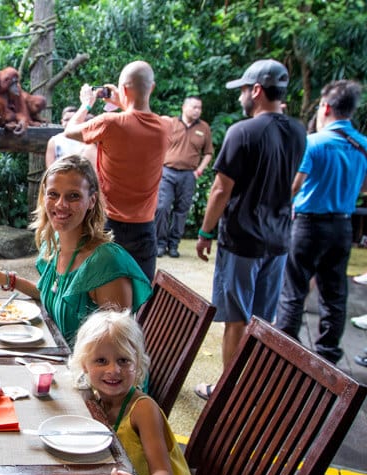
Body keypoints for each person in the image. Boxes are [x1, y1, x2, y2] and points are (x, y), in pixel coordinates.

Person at [194, 59, 306, 400]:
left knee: (237, 319)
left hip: (242, 240)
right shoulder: (299, 131)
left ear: (257, 90)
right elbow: (294, 181)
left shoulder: (242, 132)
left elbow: (220, 190)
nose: (242, 95)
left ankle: (227, 393)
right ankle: (252, 387)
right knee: (262, 319)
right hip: (277, 240)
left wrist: (206, 232)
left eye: (244, 89)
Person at [48, 309, 205, 475]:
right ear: (84, 365)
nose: (113, 370)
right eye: (101, 361)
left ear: (137, 362)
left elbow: (163, 473)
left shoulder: (142, 409)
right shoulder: (94, 397)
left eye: (123, 360)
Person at [0, 154, 151, 346]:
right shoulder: (56, 244)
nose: (61, 204)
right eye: (53, 194)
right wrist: (8, 279)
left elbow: (119, 348)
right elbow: (55, 295)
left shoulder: (107, 263)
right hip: (61, 359)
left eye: (73, 196)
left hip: (95, 372)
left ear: (92, 200)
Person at [273, 80, 367, 366]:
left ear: (325, 106)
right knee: (335, 291)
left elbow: (294, 186)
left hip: (309, 224)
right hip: (342, 225)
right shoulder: (363, 145)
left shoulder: (313, 142)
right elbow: (364, 188)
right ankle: (327, 353)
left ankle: (285, 346)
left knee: (294, 287)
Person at [63, 61, 171, 280]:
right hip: (145, 228)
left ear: (123, 90)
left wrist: (86, 104)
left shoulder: (110, 123)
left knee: (103, 293)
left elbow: (69, 130)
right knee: (140, 292)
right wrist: (123, 101)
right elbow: (139, 119)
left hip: (109, 224)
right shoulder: (166, 127)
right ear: (152, 88)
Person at [155, 96, 214, 258]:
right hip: (168, 172)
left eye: (199, 108)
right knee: (162, 207)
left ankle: (173, 245)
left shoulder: (204, 128)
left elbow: (208, 153)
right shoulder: (171, 123)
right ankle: (160, 243)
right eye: (194, 107)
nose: (197, 111)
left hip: (189, 174)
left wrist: (199, 170)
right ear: (184, 107)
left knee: (182, 211)